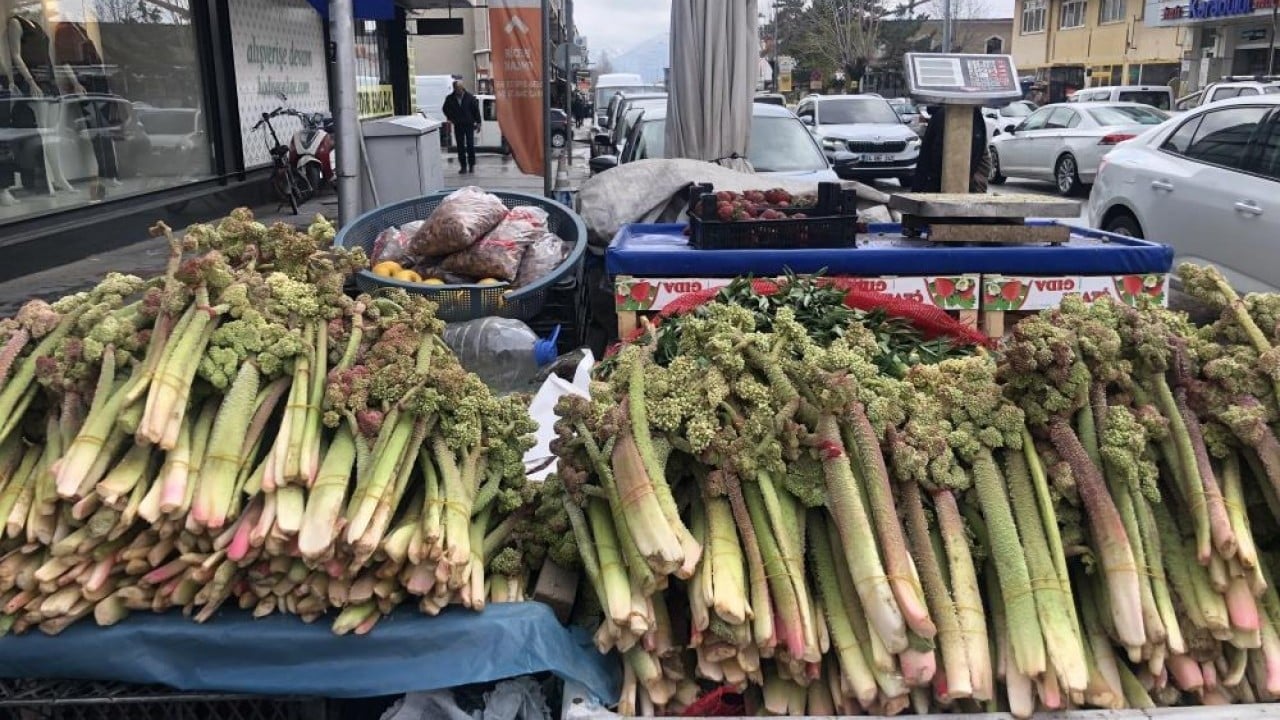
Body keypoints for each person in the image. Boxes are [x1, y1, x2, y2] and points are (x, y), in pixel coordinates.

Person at [911, 105, 990, 194]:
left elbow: (927, 157)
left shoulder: (944, 114)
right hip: (949, 188)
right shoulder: (965, 115)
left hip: (942, 187)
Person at [442, 80, 481, 174]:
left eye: (459, 88)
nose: (458, 90)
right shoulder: (450, 98)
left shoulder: (469, 97)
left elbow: (476, 110)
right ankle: (463, 166)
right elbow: (445, 109)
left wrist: (478, 123)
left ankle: (471, 165)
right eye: (456, 89)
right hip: (458, 124)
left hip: (469, 124)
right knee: (460, 146)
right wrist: (451, 118)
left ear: (462, 88)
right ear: (454, 88)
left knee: (470, 145)